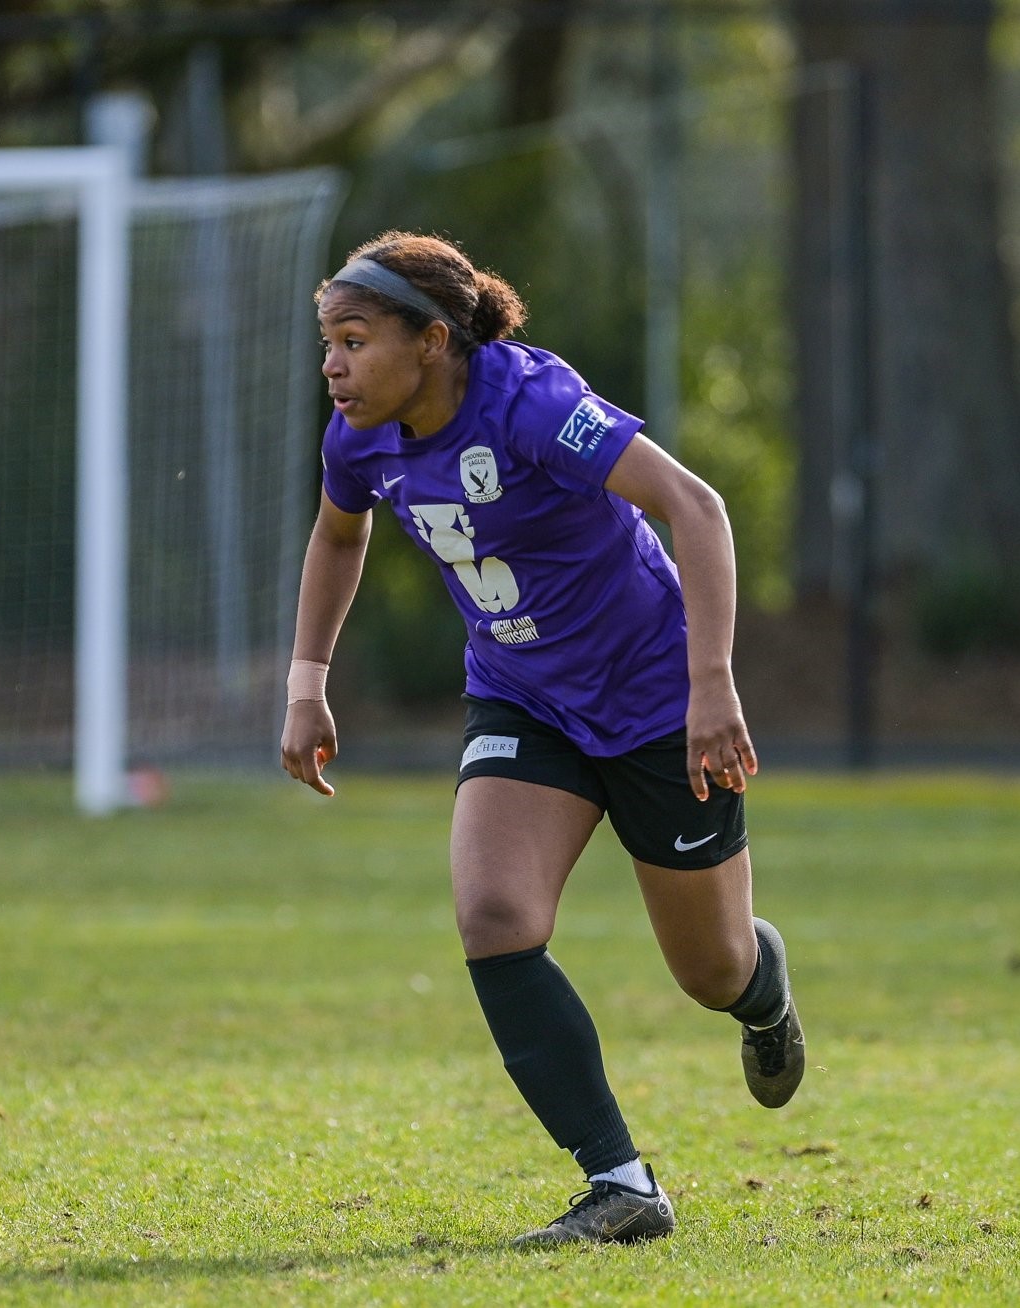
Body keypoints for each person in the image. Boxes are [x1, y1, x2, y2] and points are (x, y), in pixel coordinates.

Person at [279, 231, 803, 1246]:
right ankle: (620, 1183)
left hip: (655, 705)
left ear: (431, 342)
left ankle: (759, 985)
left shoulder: (529, 405)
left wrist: (709, 684)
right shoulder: (357, 436)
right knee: (493, 916)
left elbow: (692, 505)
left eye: (351, 340)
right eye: (325, 345)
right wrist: (306, 685)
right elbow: (337, 535)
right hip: (522, 698)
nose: (332, 367)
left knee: (707, 969)